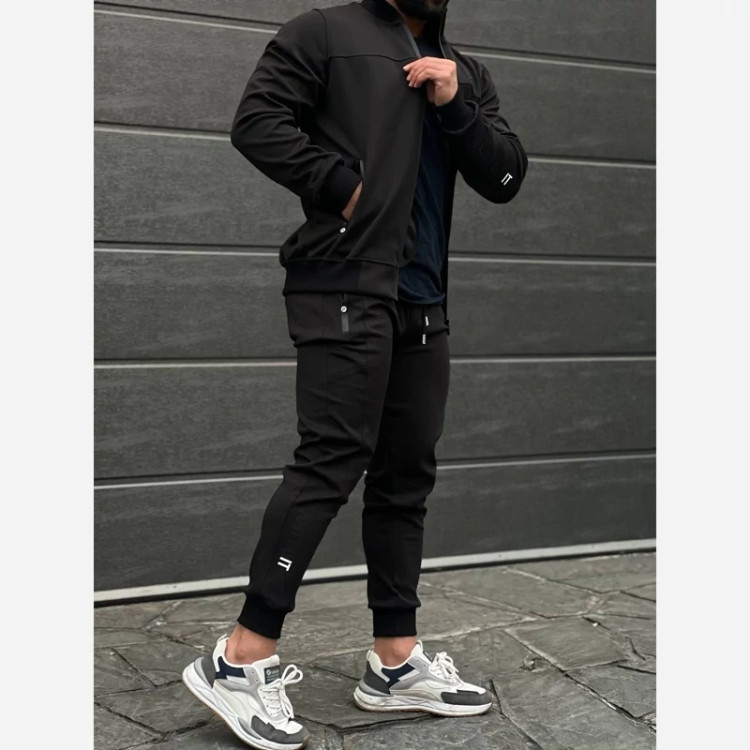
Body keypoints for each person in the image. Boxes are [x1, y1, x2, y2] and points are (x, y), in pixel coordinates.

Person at [182, 1, 528, 747]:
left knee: (406, 476)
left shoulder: (465, 73)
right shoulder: (324, 33)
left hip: (422, 300)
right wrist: (344, 186)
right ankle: (239, 658)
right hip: (343, 283)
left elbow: (505, 175)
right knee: (331, 460)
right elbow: (257, 122)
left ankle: (394, 662)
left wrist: (456, 103)